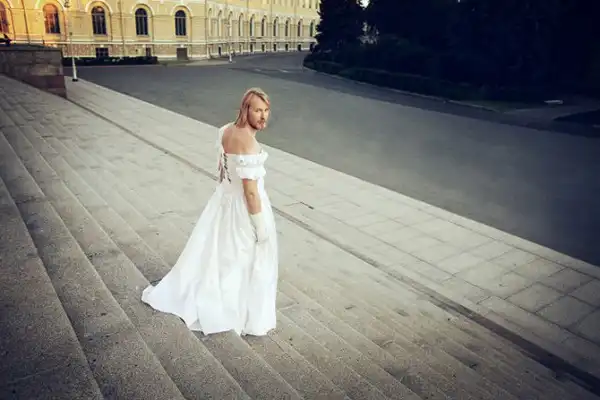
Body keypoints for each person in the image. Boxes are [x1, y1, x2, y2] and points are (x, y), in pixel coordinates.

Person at [141, 88, 278, 336]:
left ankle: (213, 293)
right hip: (243, 208)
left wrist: (225, 196)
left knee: (217, 252)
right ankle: (234, 309)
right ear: (245, 109)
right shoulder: (249, 144)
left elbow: (222, 170)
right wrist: (260, 226)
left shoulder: (225, 130)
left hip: (223, 201)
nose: (263, 116)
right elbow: (250, 193)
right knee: (241, 259)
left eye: (266, 110)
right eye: (258, 110)